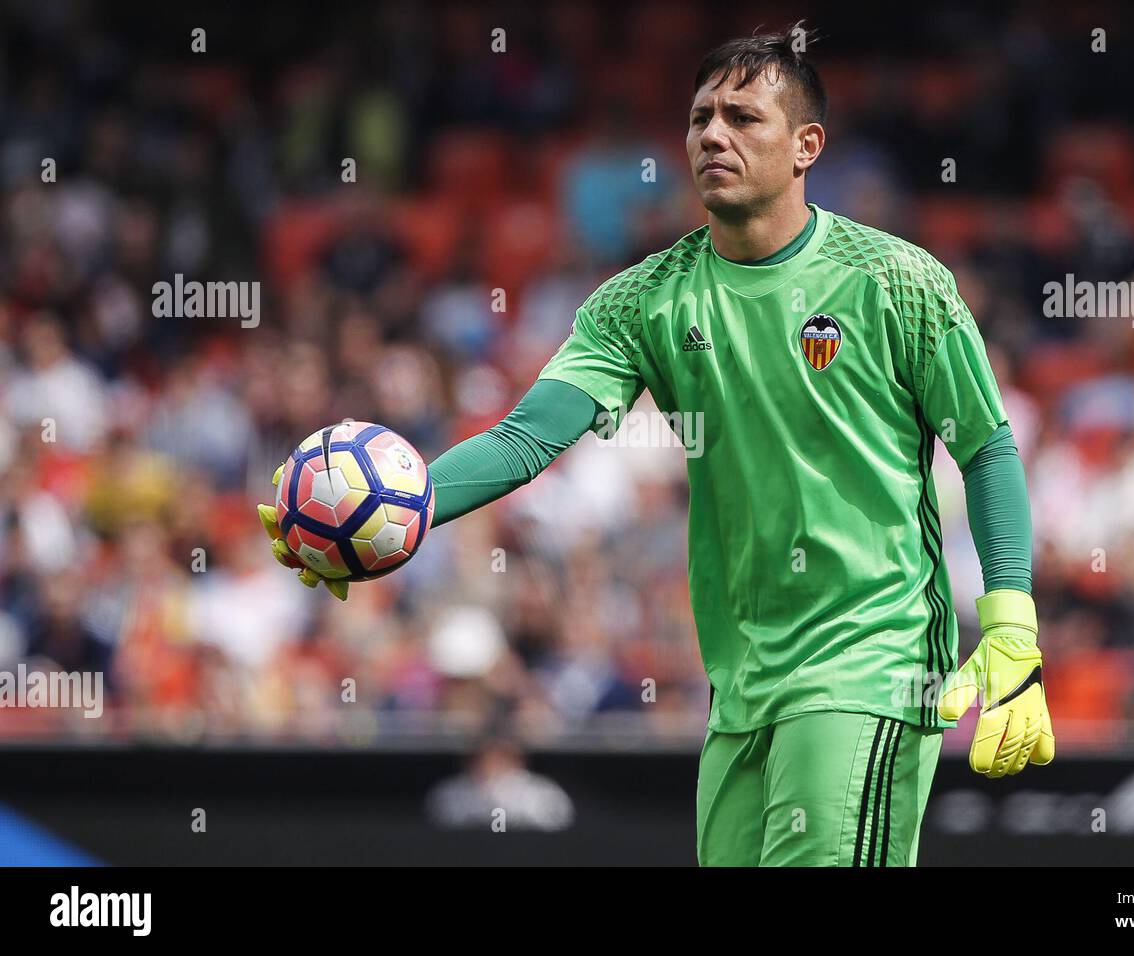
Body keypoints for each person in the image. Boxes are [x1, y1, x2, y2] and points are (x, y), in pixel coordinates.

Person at [258, 23, 1053, 866]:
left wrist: (1011, 628)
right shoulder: (643, 302)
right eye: (701, 116)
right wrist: (407, 507)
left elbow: (988, 451)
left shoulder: (897, 281)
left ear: (805, 145)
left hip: (871, 667)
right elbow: (529, 436)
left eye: (744, 118)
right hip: (741, 687)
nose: (713, 133)